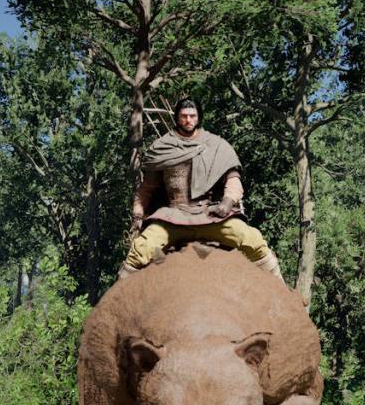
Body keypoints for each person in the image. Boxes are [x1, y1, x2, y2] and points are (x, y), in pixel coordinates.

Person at [119, 98, 284, 283]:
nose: (188, 120)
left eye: (192, 116)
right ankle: (115, 303)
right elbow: (146, 189)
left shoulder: (217, 145)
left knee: (253, 240)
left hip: (210, 215)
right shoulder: (162, 148)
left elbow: (233, 180)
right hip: (173, 216)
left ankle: (284, 295)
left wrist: (227, 203)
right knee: (141, 249)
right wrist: (137, 215)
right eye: (183, 116)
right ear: (177, 117)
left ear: (199, 117)